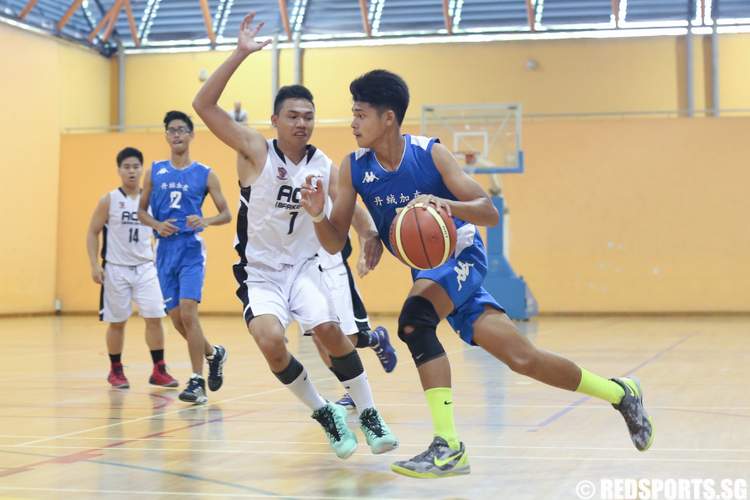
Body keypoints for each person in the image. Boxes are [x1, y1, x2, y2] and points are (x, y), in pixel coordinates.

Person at [301, 69, 655, 478]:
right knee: (524, 358)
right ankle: (620, 392)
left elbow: (487, 210)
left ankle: (448, 446)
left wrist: (445, 205)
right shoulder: (353, 169)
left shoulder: (430, 154)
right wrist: (316, 214)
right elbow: (332, 242)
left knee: (415, 322)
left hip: (462, 254)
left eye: (360, 114)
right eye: (353, 114)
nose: (352, 123)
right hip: (431, 271)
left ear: (388, 119)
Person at [192, 13, 398, 459]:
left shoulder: (325, 163)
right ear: (275, 120)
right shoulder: (254, 150)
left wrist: (368, 235)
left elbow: (351, 204)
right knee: (270, 341)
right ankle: (323, 411)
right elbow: (203, 107)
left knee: (328, 330)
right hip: (260, 273)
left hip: (305, 268)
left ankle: (368, 412)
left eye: (308, 116)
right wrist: (241, 53)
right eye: (293, 116)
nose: (302, 123)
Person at [137, 110, 232, 404]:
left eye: (182, 130)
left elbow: (226, 214)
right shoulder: (154, 171)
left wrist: (205, 220)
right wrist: (156, 224)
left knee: (189, 313)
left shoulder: (205, 173)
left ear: (192, 135)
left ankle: (196, 381)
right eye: (171, 130)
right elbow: (141, 212)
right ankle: (214, 354)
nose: (176, 134)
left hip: (190, 250)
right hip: (164, 252)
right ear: (166, 135)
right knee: (178, 320)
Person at [86, 147, 179, 389]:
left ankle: (159, 369)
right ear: (119, 170)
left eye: (135, 166)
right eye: (126, 167)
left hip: (147, 267)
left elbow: (162, 228)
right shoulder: (109, 200)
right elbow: (92, 232)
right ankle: (115, 369)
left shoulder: (151, 200)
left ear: (142, 169)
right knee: (117, 322)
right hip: (116, 269)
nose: (131, 171)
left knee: (155, 316)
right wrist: (94, 264)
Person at [310, 233, 397, 411]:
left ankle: (373, 339)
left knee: (343, 339)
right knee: (319, 338)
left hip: (332, 270)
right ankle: (351, 389)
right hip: (304, 273)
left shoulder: (331, 203)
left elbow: (362, 220)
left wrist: (365, 254)